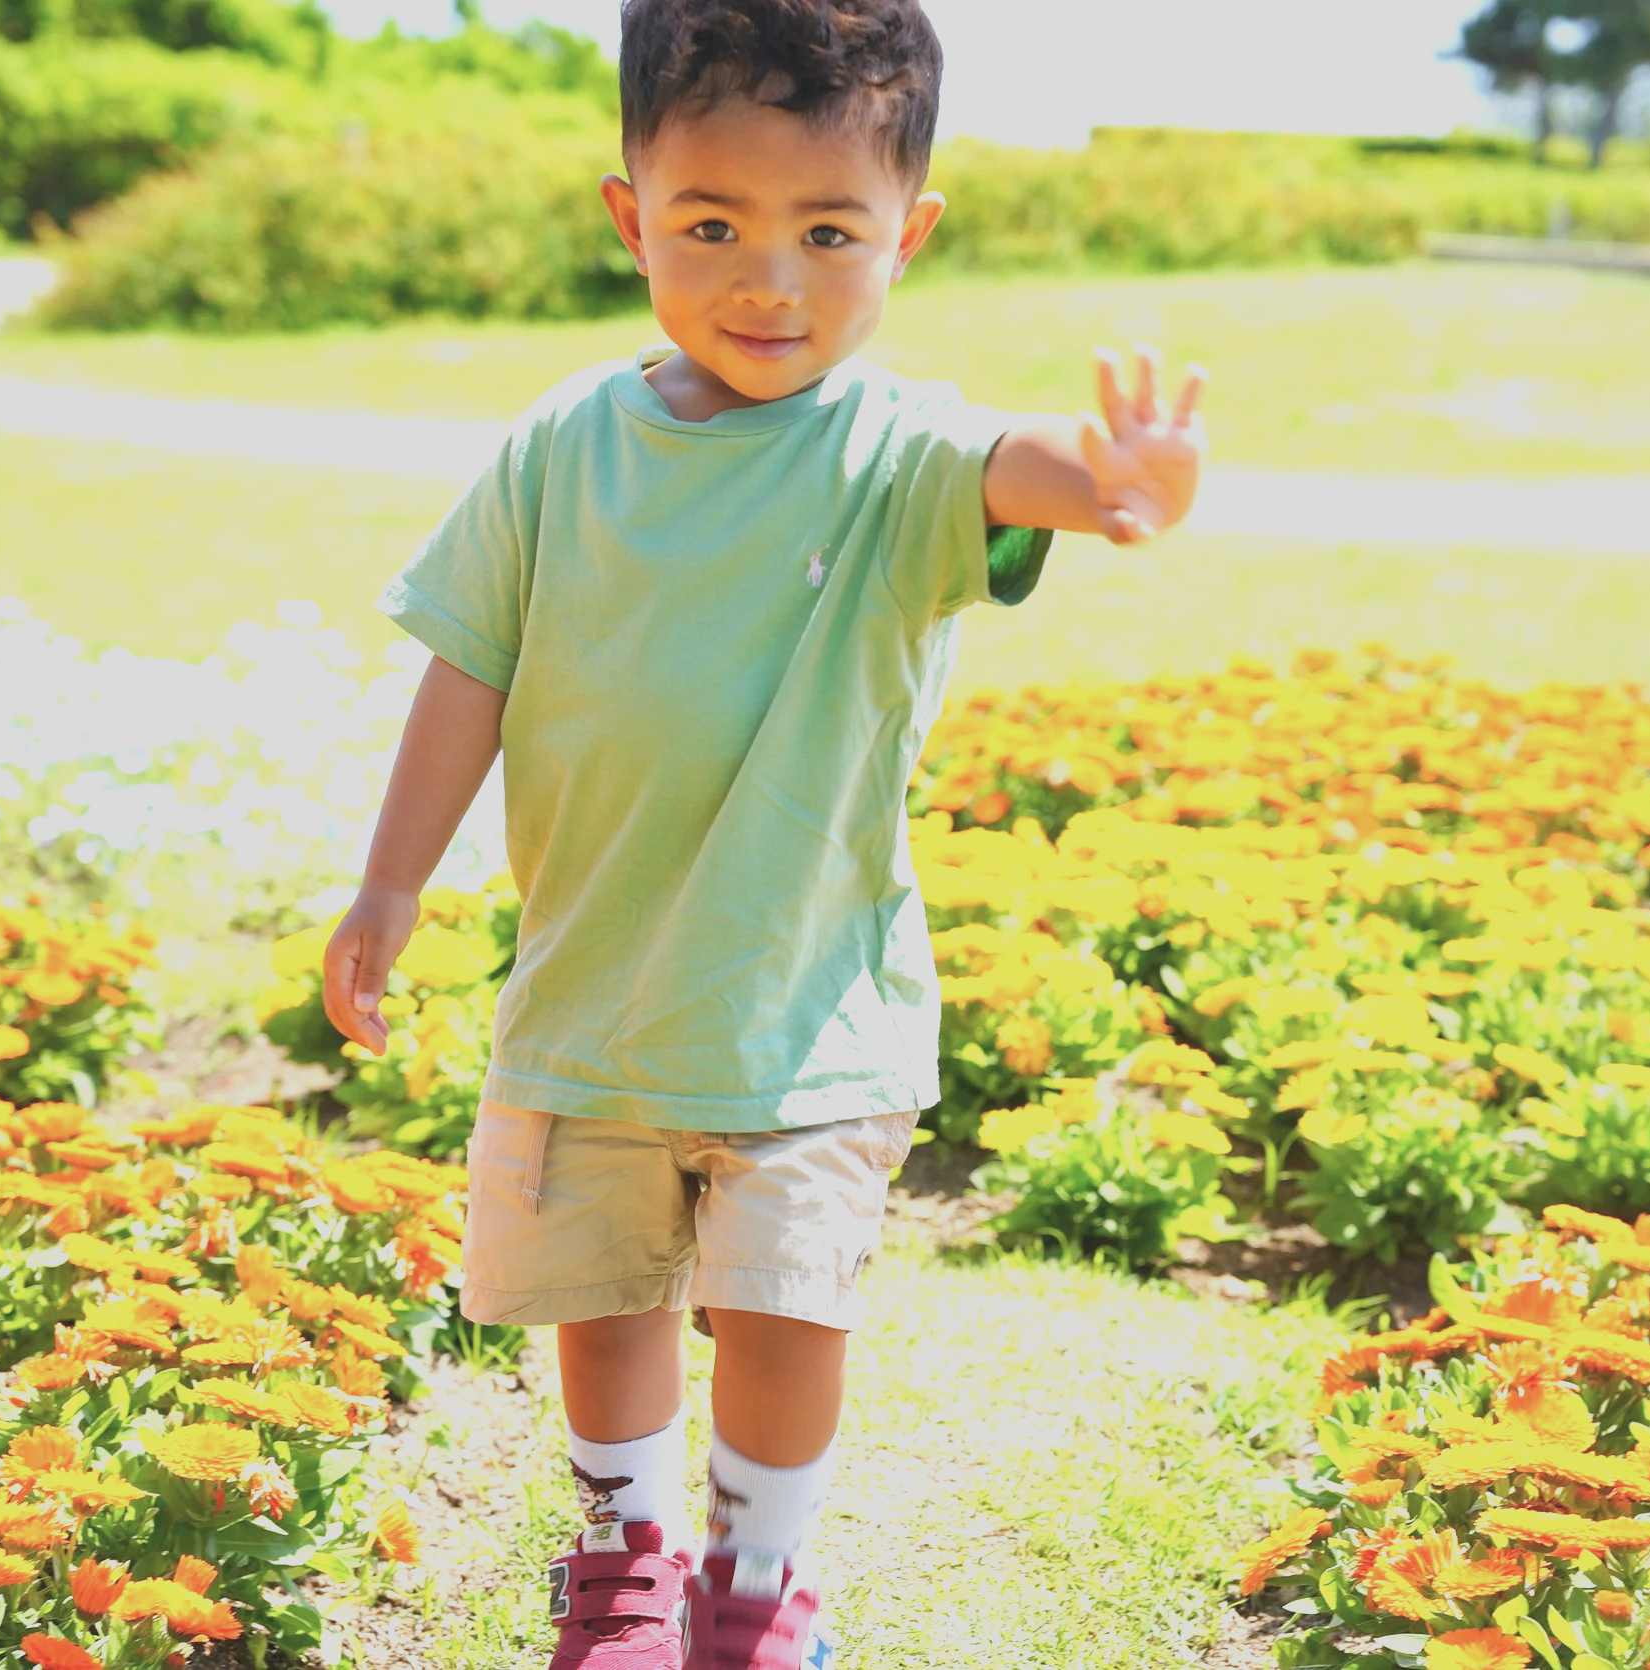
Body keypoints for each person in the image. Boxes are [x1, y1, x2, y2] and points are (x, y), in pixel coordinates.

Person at [317, 2, 1208, 1666]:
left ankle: (759, 1575)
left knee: (787, 1309)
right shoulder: (563, 448)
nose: (768, 284)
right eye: (711, 226)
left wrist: (1123, 477)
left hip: (808, 1011)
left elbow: (1027, 471)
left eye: (828, 233)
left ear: (909, 234)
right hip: (593, 1002)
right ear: (627, 214)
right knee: (604, 1305)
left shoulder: (895, 455)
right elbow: (467, 667)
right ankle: (625, 1554)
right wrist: (388, 881)